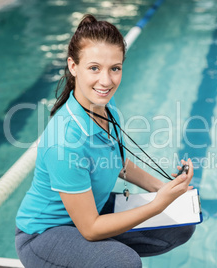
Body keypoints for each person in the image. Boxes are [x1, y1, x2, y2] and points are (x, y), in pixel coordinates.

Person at [15, 14, 195, 268]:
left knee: (179, 225)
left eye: (115, 68)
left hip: (92, 210)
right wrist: (156, 205)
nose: (106, 81)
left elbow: (116, 161)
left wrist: (164, 188)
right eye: (94, 68)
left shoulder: (106, 110)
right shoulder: (64, 141)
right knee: (123, 263)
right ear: (73, 66)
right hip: (44, 235)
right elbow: (89, 229)